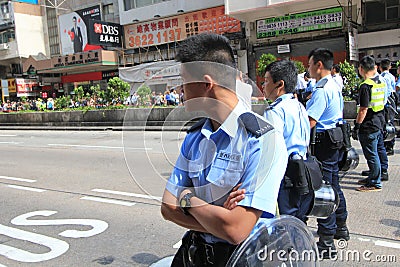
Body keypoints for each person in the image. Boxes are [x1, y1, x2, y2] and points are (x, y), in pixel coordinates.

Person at [161, 33, 288, 267]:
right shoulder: (196, 137)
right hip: (197, 253)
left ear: (207, 84)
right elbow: (168, 207)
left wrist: (187, 197)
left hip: (243, 258)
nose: (180, 90)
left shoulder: (262, 140)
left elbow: (237, 229)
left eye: (184, 81)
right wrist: (218, 217)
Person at [306, 48, 348, 259]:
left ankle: (327, 241)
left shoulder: (322, 90)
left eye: (310, 64)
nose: (308, 68)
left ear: (319, 65)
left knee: (323, 192)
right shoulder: (334, 84)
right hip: (334, 140)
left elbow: (310, 121)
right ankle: (341, 225)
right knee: (334, 186)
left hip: (323, 143)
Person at [262, 60, 311, 222]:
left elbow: (270, 149)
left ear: (279, 84)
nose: (263, 85)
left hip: (285, 175)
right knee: (299, 220)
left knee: (284, 223)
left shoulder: (275, 111)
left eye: (267, 80)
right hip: (303, 171)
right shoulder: (299, 106)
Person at [352, 55, 386, 192]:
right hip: (379, 122)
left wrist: (357, 126)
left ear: (361, 69)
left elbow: (363, 109)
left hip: (369, 125)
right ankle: (373, 176)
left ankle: (375, 183)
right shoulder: (380, 82)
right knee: (376, 152)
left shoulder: (366, 85)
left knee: (372, 155)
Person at [379, 58, 397, 155]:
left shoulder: (381, 77)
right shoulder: (392, 76)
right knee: (390, 122)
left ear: (380, 67)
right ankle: (390, 145)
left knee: (386, 123)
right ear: (389, 67)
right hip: (392, 100)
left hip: (386, 101)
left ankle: (387, 145)